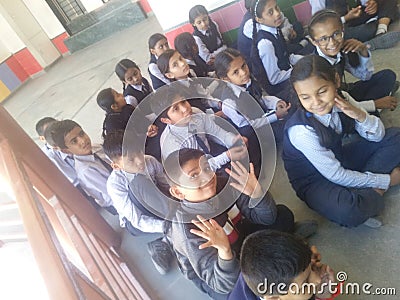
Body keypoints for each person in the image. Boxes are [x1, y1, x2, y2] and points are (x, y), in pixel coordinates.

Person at [283, 55, 400, 228]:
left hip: (339, 158)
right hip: (313, 181)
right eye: (305, 97)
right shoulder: (301, 131)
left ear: (336, 81)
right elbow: (335, 175)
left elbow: (377, 135)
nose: (316, 102)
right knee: (348, 211)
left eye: (322, 91)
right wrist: (386, 181)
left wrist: (359, 114)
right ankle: (371, 193)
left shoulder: (342, 98)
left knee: (395, 136)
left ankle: (362, 194)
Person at [163, 148, 296, 298]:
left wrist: (257, 194)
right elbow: (220, 283)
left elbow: (267, 219)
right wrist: (224, 250)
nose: (207, 177)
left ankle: (272, 255)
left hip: (240, 237)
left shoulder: (223, 183)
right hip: (220, 272)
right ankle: (278, 250)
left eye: (207, 168)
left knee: (282, 216)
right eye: (194, 176)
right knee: (238, 293)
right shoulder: (186, 230)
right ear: (178, 192)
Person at [103, 130, 174, 275]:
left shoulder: (149, 161)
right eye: (131, 160)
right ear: (116, 166)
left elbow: (166, 186)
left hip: (159, 203)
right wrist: (169, 226)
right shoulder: (115, 184)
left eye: (139, 152)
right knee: (139, 183)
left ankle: (166, 242)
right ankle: (166, 241)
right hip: (136, 220)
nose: (140, 161)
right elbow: (138, 220)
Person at [214, 48, 291, 173]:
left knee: (289, 102)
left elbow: (261, 99)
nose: (243, 73)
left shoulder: (246, 81)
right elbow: (251, 124)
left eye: (243, 66)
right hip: (256, 132)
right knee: (288, 128)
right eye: (235, 72)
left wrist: (276, 102)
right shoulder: (229, 102)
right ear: (225, 78)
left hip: (264, 116)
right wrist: (276, 116)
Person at [308, 9, 398, 114]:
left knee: (387, 75)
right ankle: (376, 107)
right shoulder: (315, 68)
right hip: (335, 107)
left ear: (343, 30)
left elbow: (365, 76)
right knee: (365, 116)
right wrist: (375, 104)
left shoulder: (342, 49)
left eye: (336, 34)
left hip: (346, 92)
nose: (332, 43)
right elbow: (330, 107)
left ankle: (375, 105)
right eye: (323, 39)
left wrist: (363, 51)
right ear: (314, 42)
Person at [150, 85, 247, 172]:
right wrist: (227, 156)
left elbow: (217, 133)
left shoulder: (195, 113)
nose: (185, 109)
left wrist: (234, 141)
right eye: (176, 109)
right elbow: (198, 170)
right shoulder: (172, 144)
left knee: (246, 144)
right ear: (166, 120)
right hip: (197, 175)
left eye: (183, 101)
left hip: (211, 153)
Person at [228, 230, 337, 300]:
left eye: (312, 267)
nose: (318, 279)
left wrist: (323, 293)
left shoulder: (265, 275)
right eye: (305, 283)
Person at [49, 119, 117, 214]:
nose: (83, 140)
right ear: (66, 151)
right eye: (74, 141)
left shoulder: (95, 147)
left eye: (81, 134)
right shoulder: (86, 171)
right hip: (115, 202)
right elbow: (114, 193)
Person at [249, 0, 302, 106]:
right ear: (259, 19)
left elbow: (287, 57)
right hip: (280, 89)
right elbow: (274, 79)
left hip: (287, 73)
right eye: (270, 12)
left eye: (276, 8)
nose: (277, 13)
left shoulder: (274, 30)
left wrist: (304, 59)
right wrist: (298, 69)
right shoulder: (265, 44)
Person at [308, 0, 400, 50]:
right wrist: (346, 18)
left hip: (356, 16)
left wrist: (371, 4)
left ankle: (381, 29)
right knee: (367, 30)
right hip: (338, 29)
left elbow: (365, 3)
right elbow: (319, 24)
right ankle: (370, 44)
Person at [36, 117, 79, 186]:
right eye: (49, 132)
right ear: (42, 138)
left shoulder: (71, 138)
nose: (56, 133)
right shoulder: (48, 157)